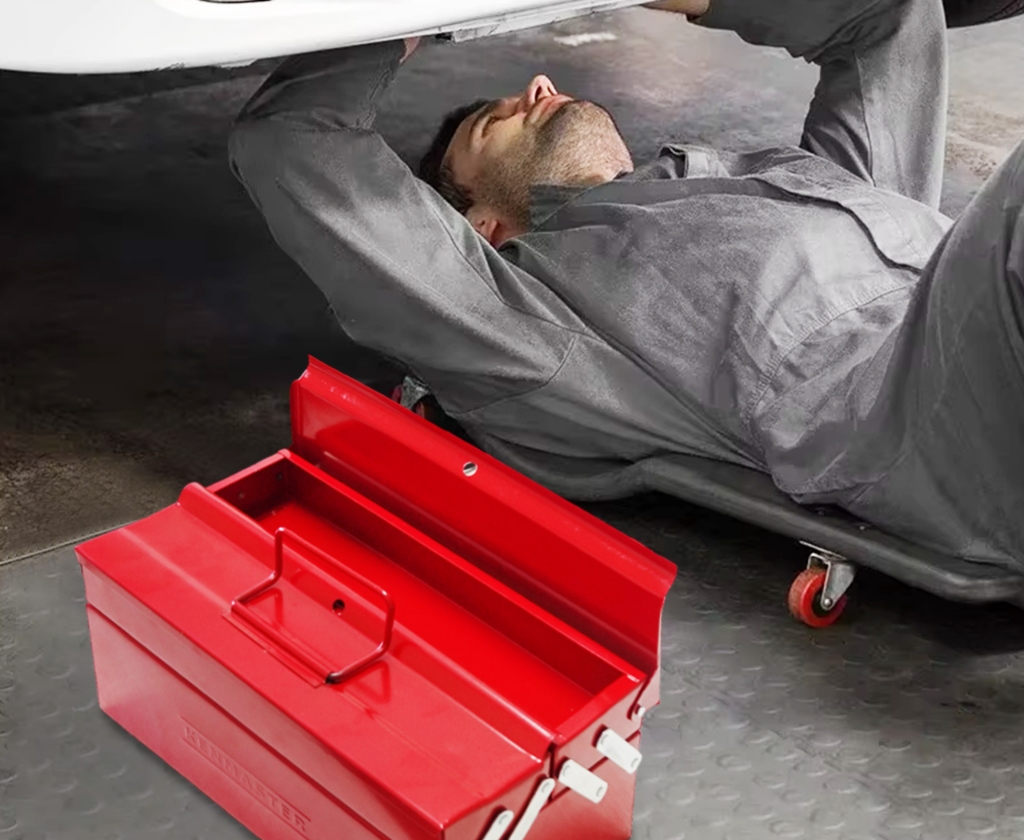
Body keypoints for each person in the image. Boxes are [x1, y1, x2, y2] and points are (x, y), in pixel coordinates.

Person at [229, 0, 1024, 573]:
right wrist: (407, 16)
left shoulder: (772, 181)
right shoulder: (525, 314)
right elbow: (289, 143)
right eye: (492, 124)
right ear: (482, 226)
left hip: (972, 317)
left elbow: (889, 21)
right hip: (925, 428)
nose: (539, 86)